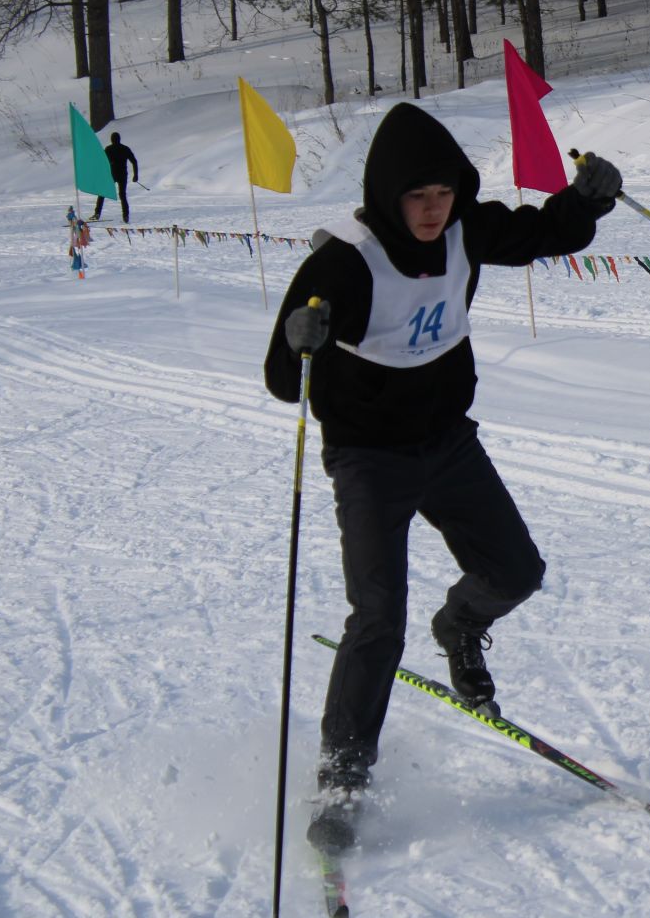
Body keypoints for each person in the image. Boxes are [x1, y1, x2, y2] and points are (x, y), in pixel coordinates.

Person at [264, 101, 623, 849]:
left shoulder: (464, 229)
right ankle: (341, 780)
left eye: (442, 195)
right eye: (417, 198)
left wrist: (585, 201)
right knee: (377, 620)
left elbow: (540, 234)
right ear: (388, 196)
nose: (432, 212)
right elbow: (282, 376)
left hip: (447, 444)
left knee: (517, 570)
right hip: (369, 460)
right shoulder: (344, 262)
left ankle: (459, 623)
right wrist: (304, 340)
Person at [91, 132, 139, 224]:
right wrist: (136, 175)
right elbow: (134, 161)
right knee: (122, 195)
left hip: (111, 175)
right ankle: (126, 215)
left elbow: (102, 163)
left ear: (111, 140)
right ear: (119, 139)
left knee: (102, 193)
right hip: (122, 175)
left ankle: (97, 213)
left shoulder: (108, 149)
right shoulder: (125, 149)